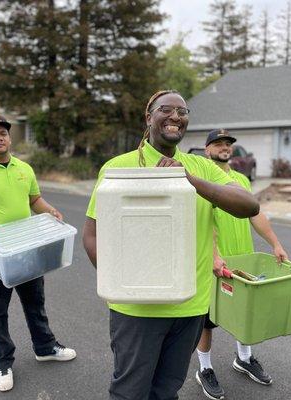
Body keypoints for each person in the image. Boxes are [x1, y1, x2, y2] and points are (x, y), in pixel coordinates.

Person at [82, 90, 260, 400]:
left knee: (166, 389)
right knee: (130, 392)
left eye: (183, 111)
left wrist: (189, 181)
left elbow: (248, 205)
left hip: (190, 306)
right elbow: (92, 236)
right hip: (137, 310)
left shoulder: (201, 168)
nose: (176, 116)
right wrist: (120, 284)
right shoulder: (119, 168)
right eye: (166, 109)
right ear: (149, 117)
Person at [0, 114, 76, 392]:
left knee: (35, 303)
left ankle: (45, 347)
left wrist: (50, 210)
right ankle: (3, 362)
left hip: (26, 252)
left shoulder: (24, 169)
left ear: (9, 137)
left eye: (3, 133)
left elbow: (34, 200)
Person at [194, 129, 289, 400]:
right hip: (214, 263)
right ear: (206, 148)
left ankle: (244, 359)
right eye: (218, 143)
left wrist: (275, 243)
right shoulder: (203, 179)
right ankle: (205, 369)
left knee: (245, 313)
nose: (225, 147)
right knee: (208, 320)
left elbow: (255, 214)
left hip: (243, 260)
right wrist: (212, 254)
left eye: (228, 144)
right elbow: (201, 221)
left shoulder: (239, 180)